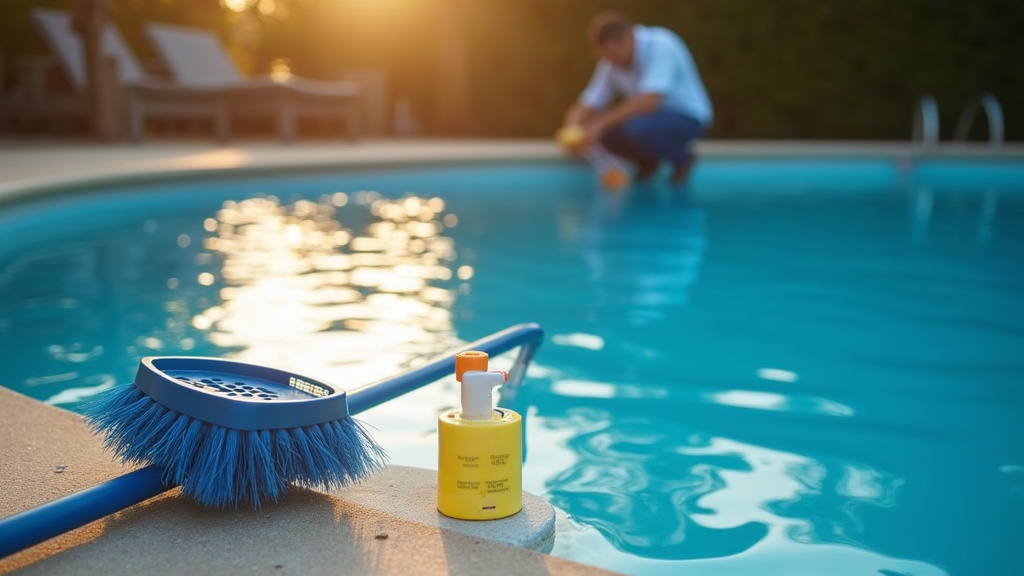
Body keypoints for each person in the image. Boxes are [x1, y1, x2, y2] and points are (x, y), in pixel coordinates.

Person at [562, 11, 713, 185]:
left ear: (627, 39)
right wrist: (572, 125)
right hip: (650, 121)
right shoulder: (611, 61)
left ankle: (683, 159)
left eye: (612, 55)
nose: (610, 62)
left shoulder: (662, 45)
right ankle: (648, 162)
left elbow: (650, 101)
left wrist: (599, 123)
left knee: (636, 128)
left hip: (688, 117)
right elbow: (590, 100)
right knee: (606, 135)